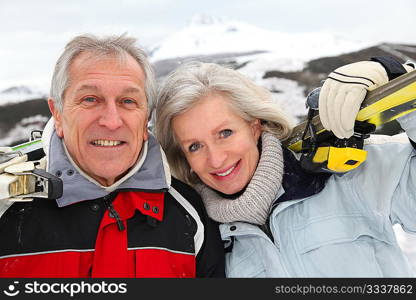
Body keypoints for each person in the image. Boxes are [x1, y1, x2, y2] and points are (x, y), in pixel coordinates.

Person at [154, 58, 416, 277]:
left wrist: (398, 78)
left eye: (225, 133)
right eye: (195, 146)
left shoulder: (346, 175)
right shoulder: (201, 242)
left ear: (254, 125)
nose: (216, 159)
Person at [0, 34, 225, 278]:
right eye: (90, 99)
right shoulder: (7, 203)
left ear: (145, 119)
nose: (111, 121)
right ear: (58, 114)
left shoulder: (189, 211)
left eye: (128, 101)